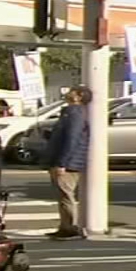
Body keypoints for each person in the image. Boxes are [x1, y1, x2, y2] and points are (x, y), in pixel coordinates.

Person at [43, 86, 91, 240]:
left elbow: (72, 138)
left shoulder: (75, 113)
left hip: (69, 162)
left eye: (72, 91)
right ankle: (65, 226)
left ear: (79, 97)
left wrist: (62, 162)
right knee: (62, 195)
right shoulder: (70, 112)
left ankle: (71, 227)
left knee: (66, 194)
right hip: (65, 160)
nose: (68, 94)